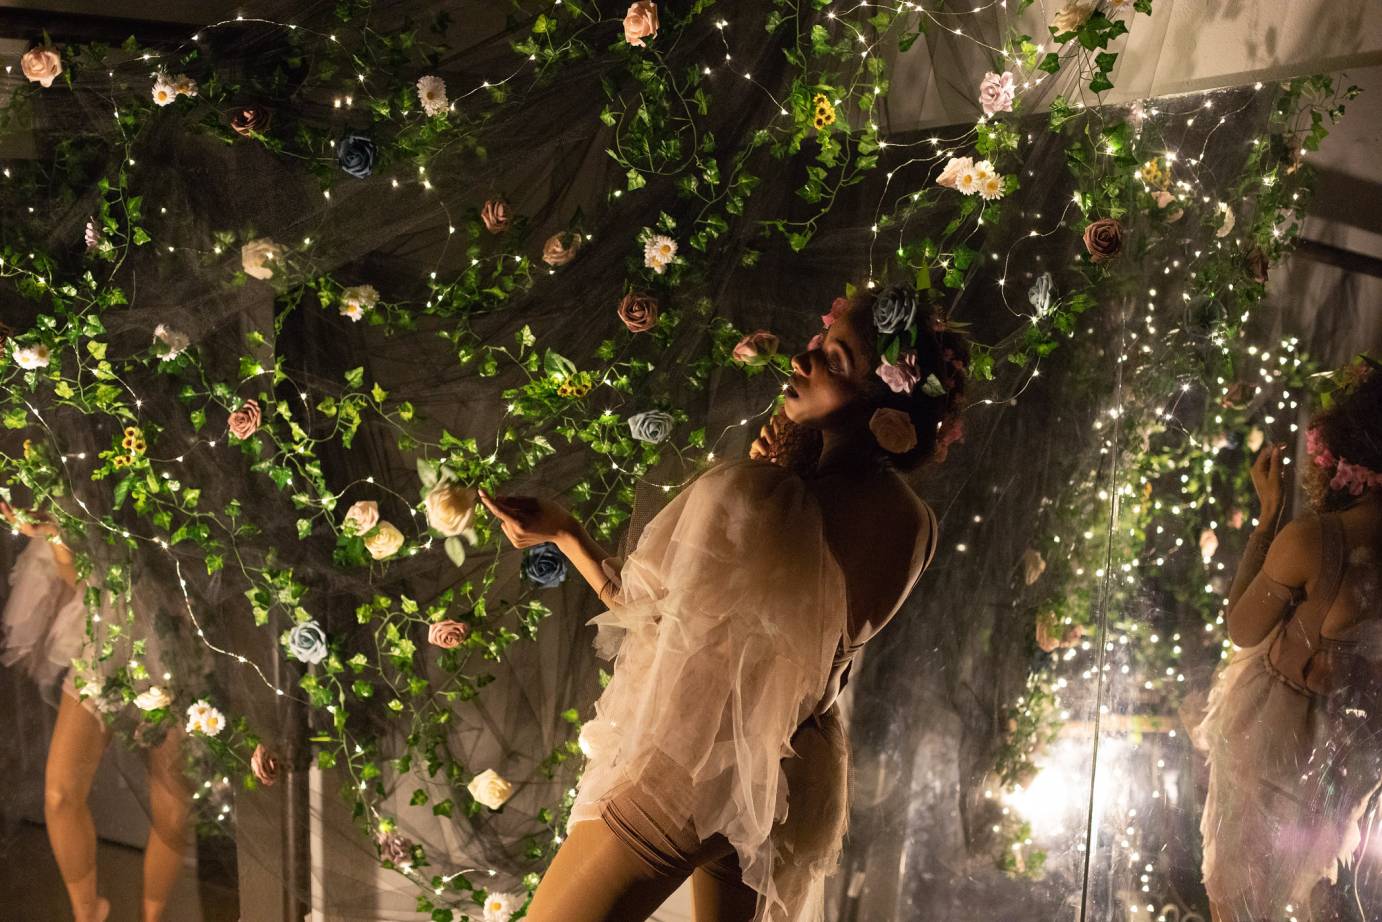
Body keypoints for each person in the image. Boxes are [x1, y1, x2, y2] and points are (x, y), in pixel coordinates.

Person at [478, 284, 966, 922]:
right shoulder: (916, 524)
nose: (803, 361)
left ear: (884, 402)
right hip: (794, 775)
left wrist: (566, 533)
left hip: (698, 761)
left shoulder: (767, 499)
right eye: (821, 345)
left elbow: (649, 609)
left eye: (835, 361)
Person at [1192, 357, 1382, 922]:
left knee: (1238, 896)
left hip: (1272, 732)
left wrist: (1270, 514)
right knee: (1310, 892)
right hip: (1350, 742)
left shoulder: (1314, 540)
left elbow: (1242, 626)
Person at [0, 501, 194, 922]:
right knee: (59, 795)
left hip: (177, 653)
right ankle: (89, 914)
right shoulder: (87, 467)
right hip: (105, 646)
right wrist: (54, 533)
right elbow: (79, 580)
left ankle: (151, 919)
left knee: (173, 813)